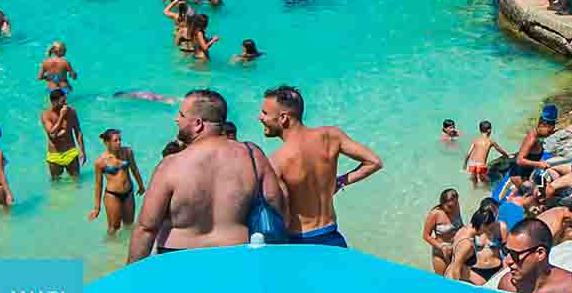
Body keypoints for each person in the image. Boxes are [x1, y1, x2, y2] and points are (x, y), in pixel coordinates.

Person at [129, 89, 289, 261]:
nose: (176, 119)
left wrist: (130, 273)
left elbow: (146, 228)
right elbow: (274, 203)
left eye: (181, 115)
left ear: (198, 123)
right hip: (235, 254)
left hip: (179, 258)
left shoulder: (170, 165)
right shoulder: (252, 155)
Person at [258, 84, 384, 248]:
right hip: (332, 236)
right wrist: (339, 182)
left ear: (283, 118)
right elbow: (374, 162)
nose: (260, 117)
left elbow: (283, 214)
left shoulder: (277, 161)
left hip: (300, 243)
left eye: (265, 113)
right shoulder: (331, 136)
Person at [492, 217, 572, 293]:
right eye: (506, 251)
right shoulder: (507, 286)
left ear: (540, 253)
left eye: (515, 255)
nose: (508, 261)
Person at [87, 128, 145, 235]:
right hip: (112, 195)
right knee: (114, 227)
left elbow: (134, 169)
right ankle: (110, 245)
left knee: (129, 224)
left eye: (120, 140)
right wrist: (97, 208)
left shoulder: (127, 152)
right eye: (115, 140)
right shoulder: (100, 161)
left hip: (128, 193)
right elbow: (98, 185)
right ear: (107, 143)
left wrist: (141, 185)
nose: (119, 143)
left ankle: (125, 244)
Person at [447, 205, 507, 285]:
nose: (486, 231)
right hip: (456, 281)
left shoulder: (462, 231)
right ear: (482, 225)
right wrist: (456, 288)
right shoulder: (467, 244)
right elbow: (455, 269)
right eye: (488, 228)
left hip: (455, 277)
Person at [40, 87, 85, 179]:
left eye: (65, 101)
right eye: (62, 102)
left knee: (76, 180)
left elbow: (78, 131)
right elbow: (52, 135)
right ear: (54, 102)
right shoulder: (46, 115)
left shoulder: (71, 112)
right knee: (56, 182)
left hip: (71, 152)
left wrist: (82, 150)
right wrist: (61, 116)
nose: (65, 104)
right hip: (54, 155)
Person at [423, 188, 465, 275]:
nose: (453, 208)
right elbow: (426, 236)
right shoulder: (435, 214)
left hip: (456, 248)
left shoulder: (456, 207)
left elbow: (460, 226)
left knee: (457, 276)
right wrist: (442, 247)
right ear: (442, 203)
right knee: (441, 278)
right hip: (441, 251)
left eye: (455, 204)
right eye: (449, 206)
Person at [463, 119, 510, 187]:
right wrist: (507, 156)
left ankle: (475, 190)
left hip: (472, 164)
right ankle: (487, 191)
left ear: (480, 130)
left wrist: (465, 164)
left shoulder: (476, 140)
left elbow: (468, 154)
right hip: (481, 165)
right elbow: (500, 150)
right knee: (487, 181)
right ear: (489, 130)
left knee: (474, 182)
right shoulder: (490, 141)